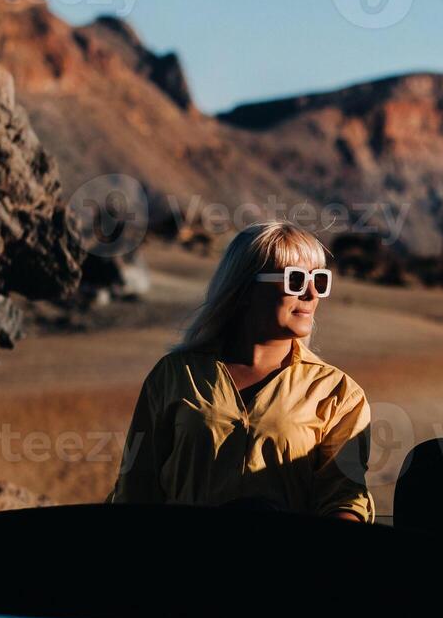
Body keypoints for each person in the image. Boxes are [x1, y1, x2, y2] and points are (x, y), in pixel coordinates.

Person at [107, 221, 374, 521]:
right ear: (245, 288)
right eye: (296, 280)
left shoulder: (336, 393)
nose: (312, 294)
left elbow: (344, 498)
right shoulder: (175, 376)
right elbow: (137, 488)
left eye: (320, 281)